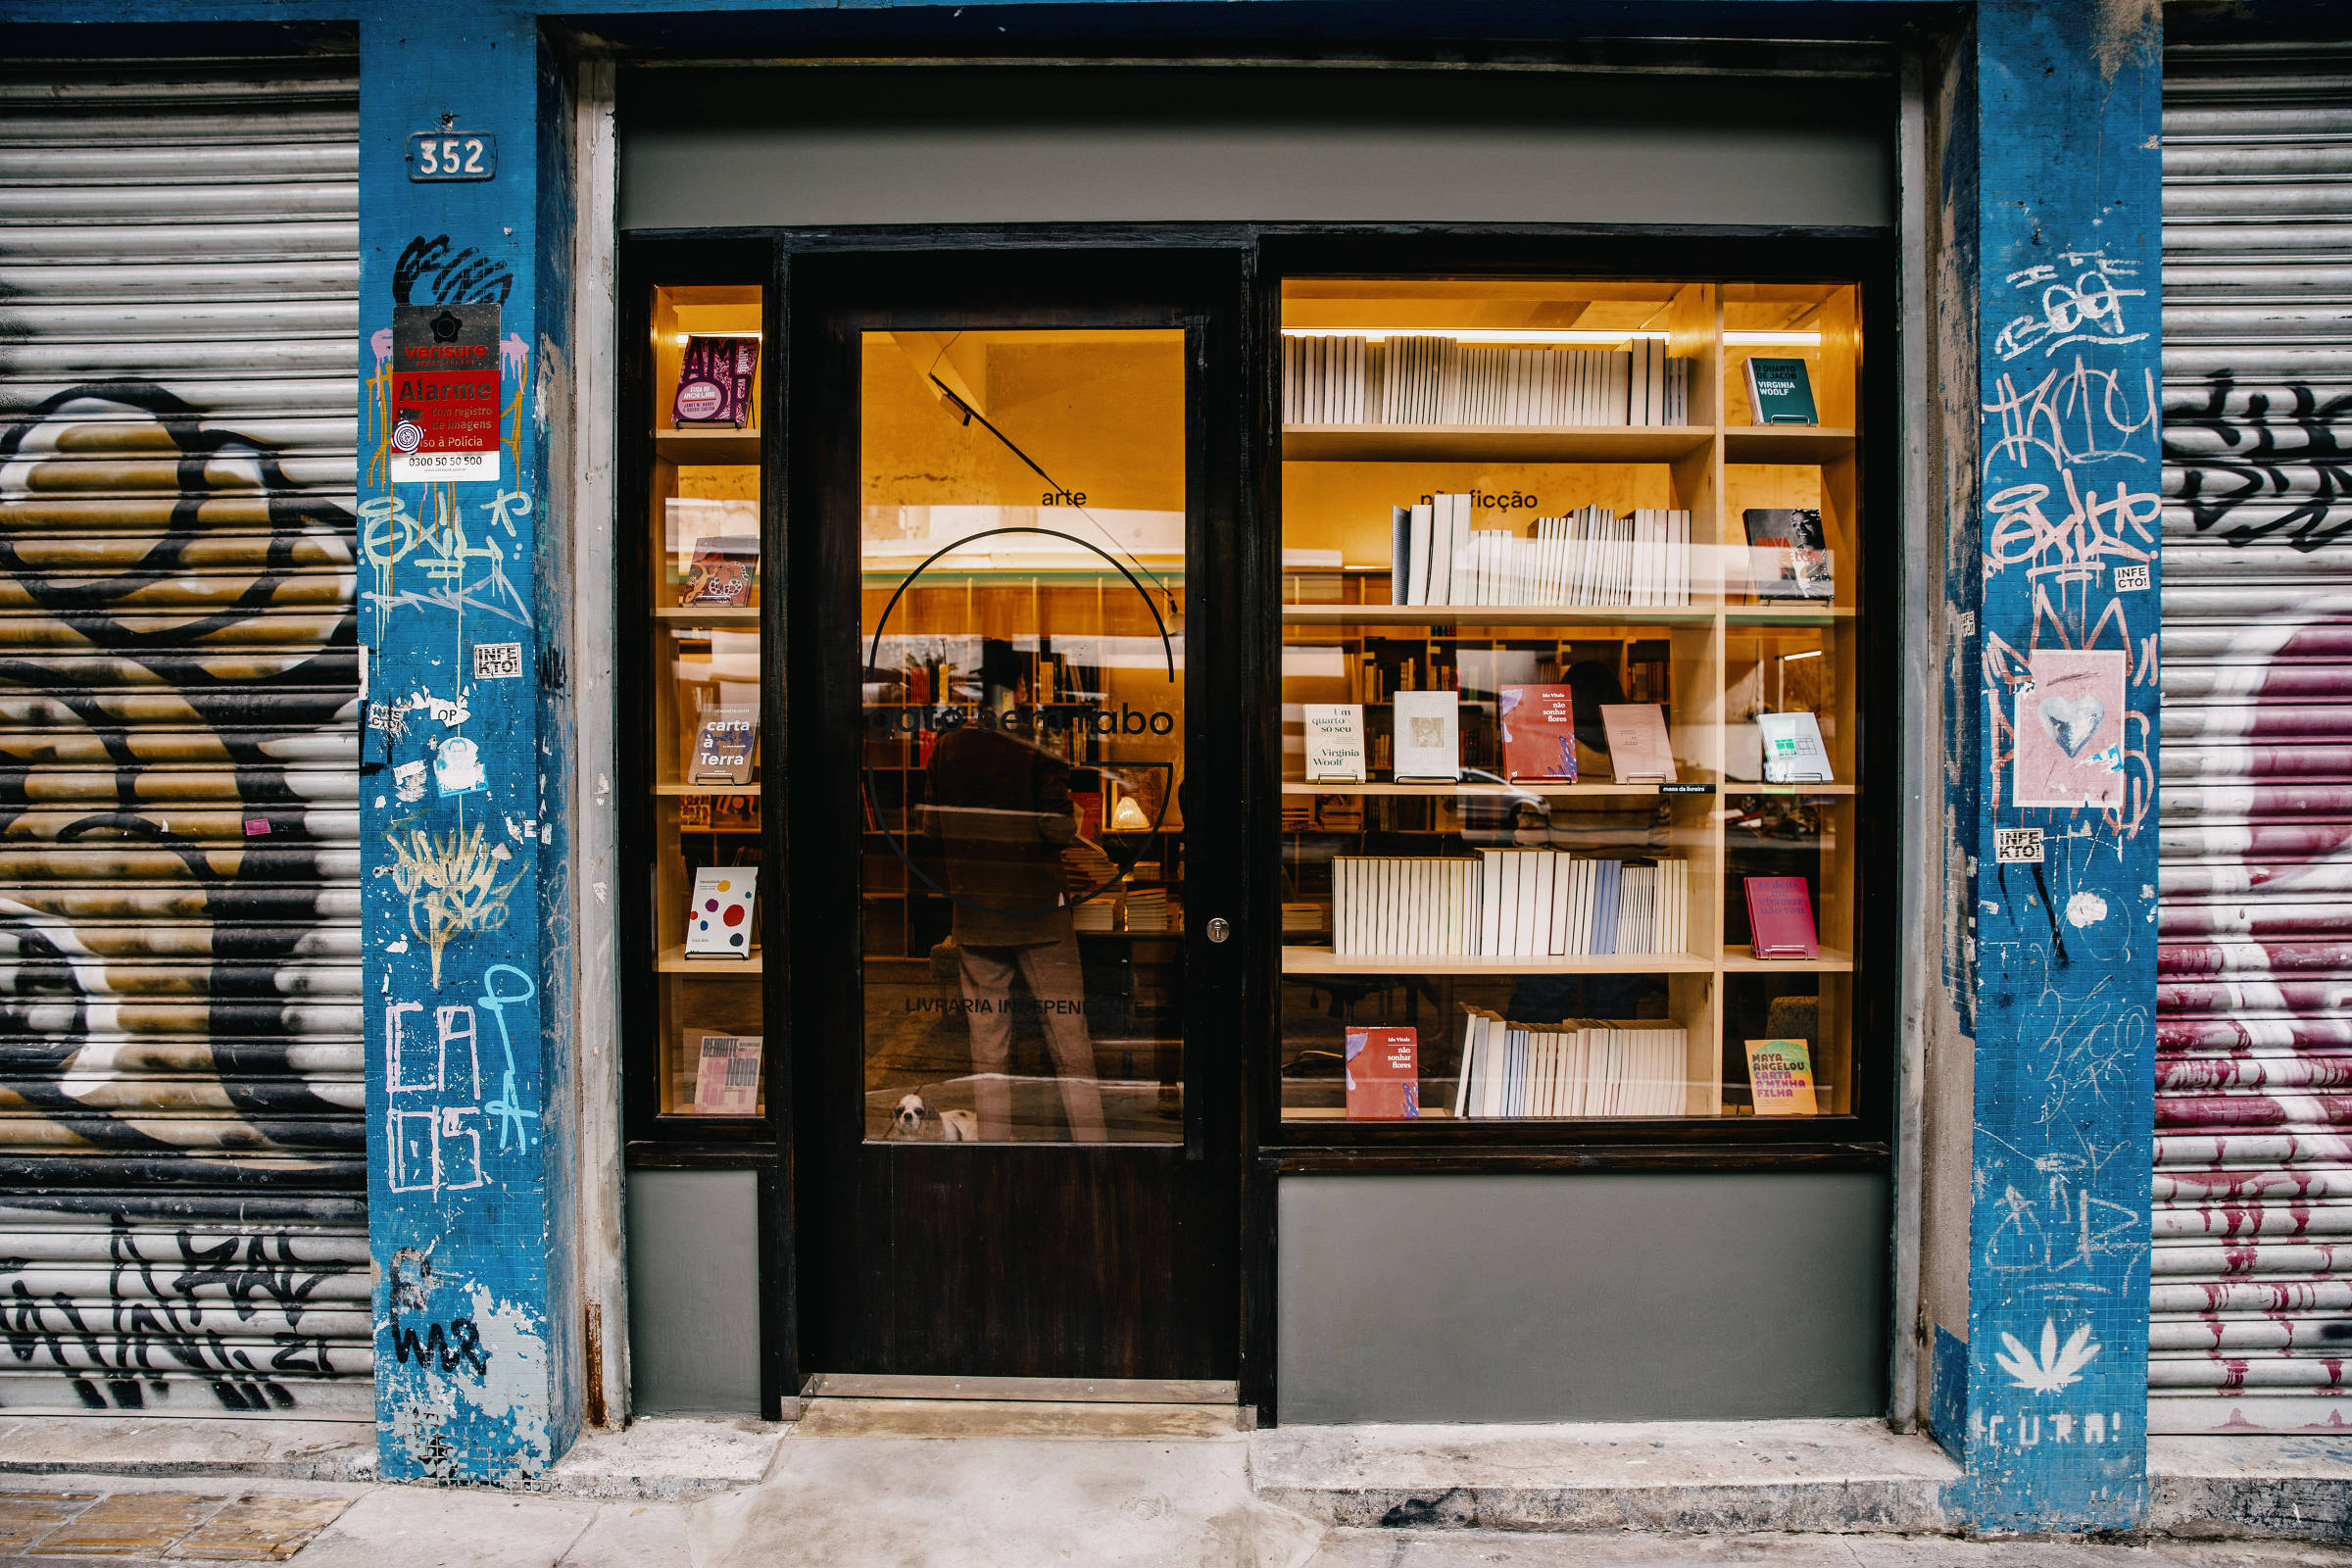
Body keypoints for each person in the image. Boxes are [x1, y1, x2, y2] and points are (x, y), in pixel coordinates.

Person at [923, 641, 1107, 1142]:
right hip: (1040, 917)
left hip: (976, 915)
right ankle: (1095, 1150)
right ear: (1023, 688)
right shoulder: (1038, 744)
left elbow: (932, 832)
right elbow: (1054, 830)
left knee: (987, 1048)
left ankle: (995, 1152)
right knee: (1070, 1041)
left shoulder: (946, 747)